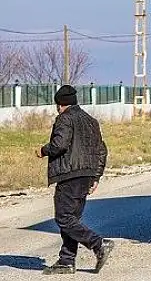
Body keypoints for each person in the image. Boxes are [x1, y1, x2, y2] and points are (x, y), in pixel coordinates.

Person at [35, 84, 113, 275]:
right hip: (86, 175)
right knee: (72, 219)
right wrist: (96, 177)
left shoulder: (65, 118)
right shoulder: (90, 120)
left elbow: (59, 145)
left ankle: (99, 244)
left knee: (63, 218)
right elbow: (101, 150)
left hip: (70, 175)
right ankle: (66, 260)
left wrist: (43, 150)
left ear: (60, 104)